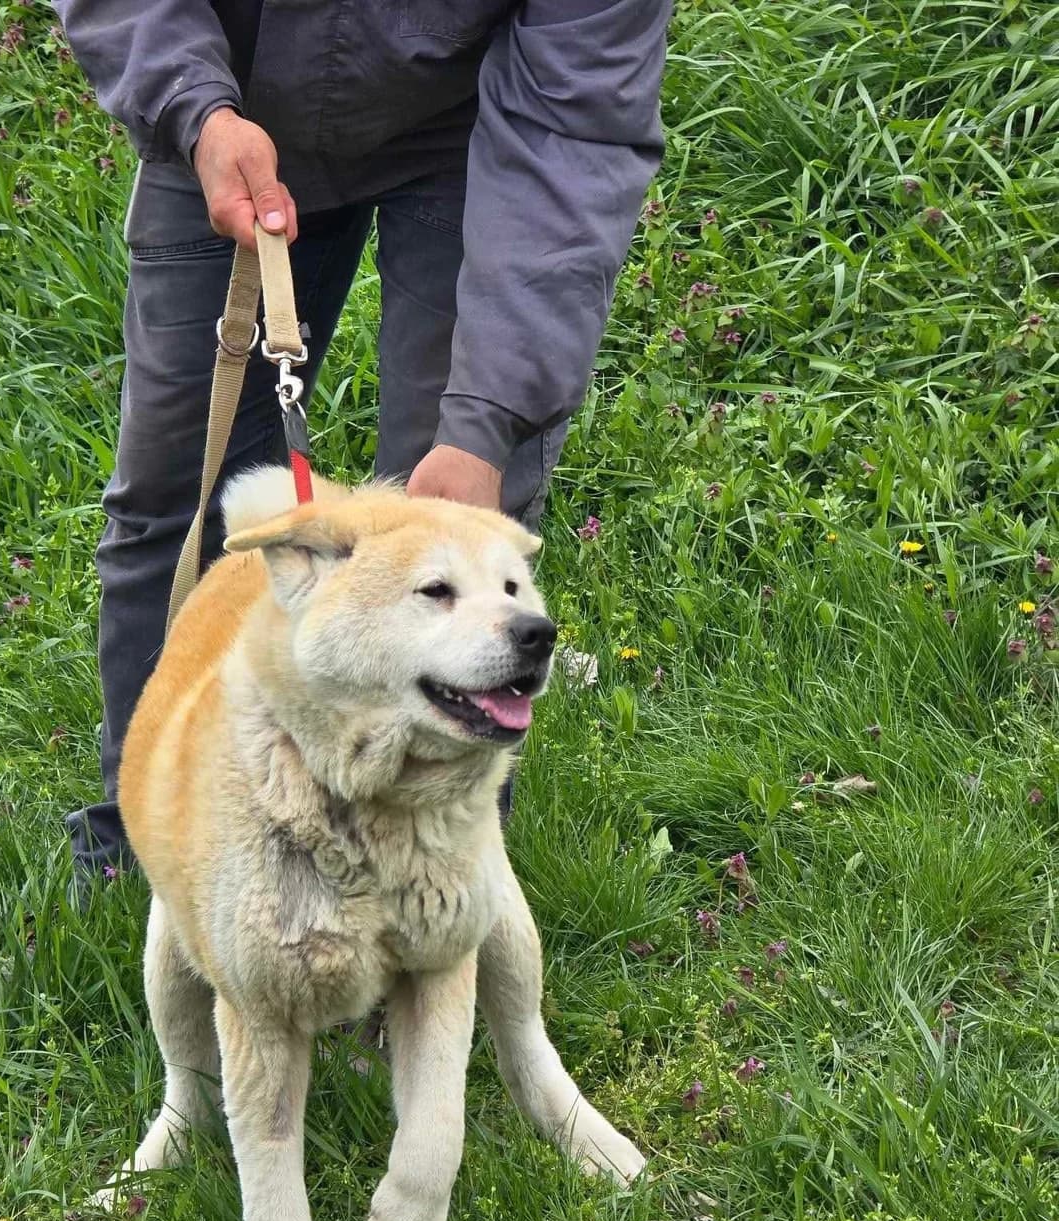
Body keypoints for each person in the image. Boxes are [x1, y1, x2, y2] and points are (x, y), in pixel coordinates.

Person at [56, 0, 673, 875]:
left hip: (478, 130)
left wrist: (485, 424)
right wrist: (196, 111)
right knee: (180, 500)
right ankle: (153, 848)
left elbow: (575, 132)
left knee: (455, 518)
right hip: (226, 108)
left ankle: (434, 881)